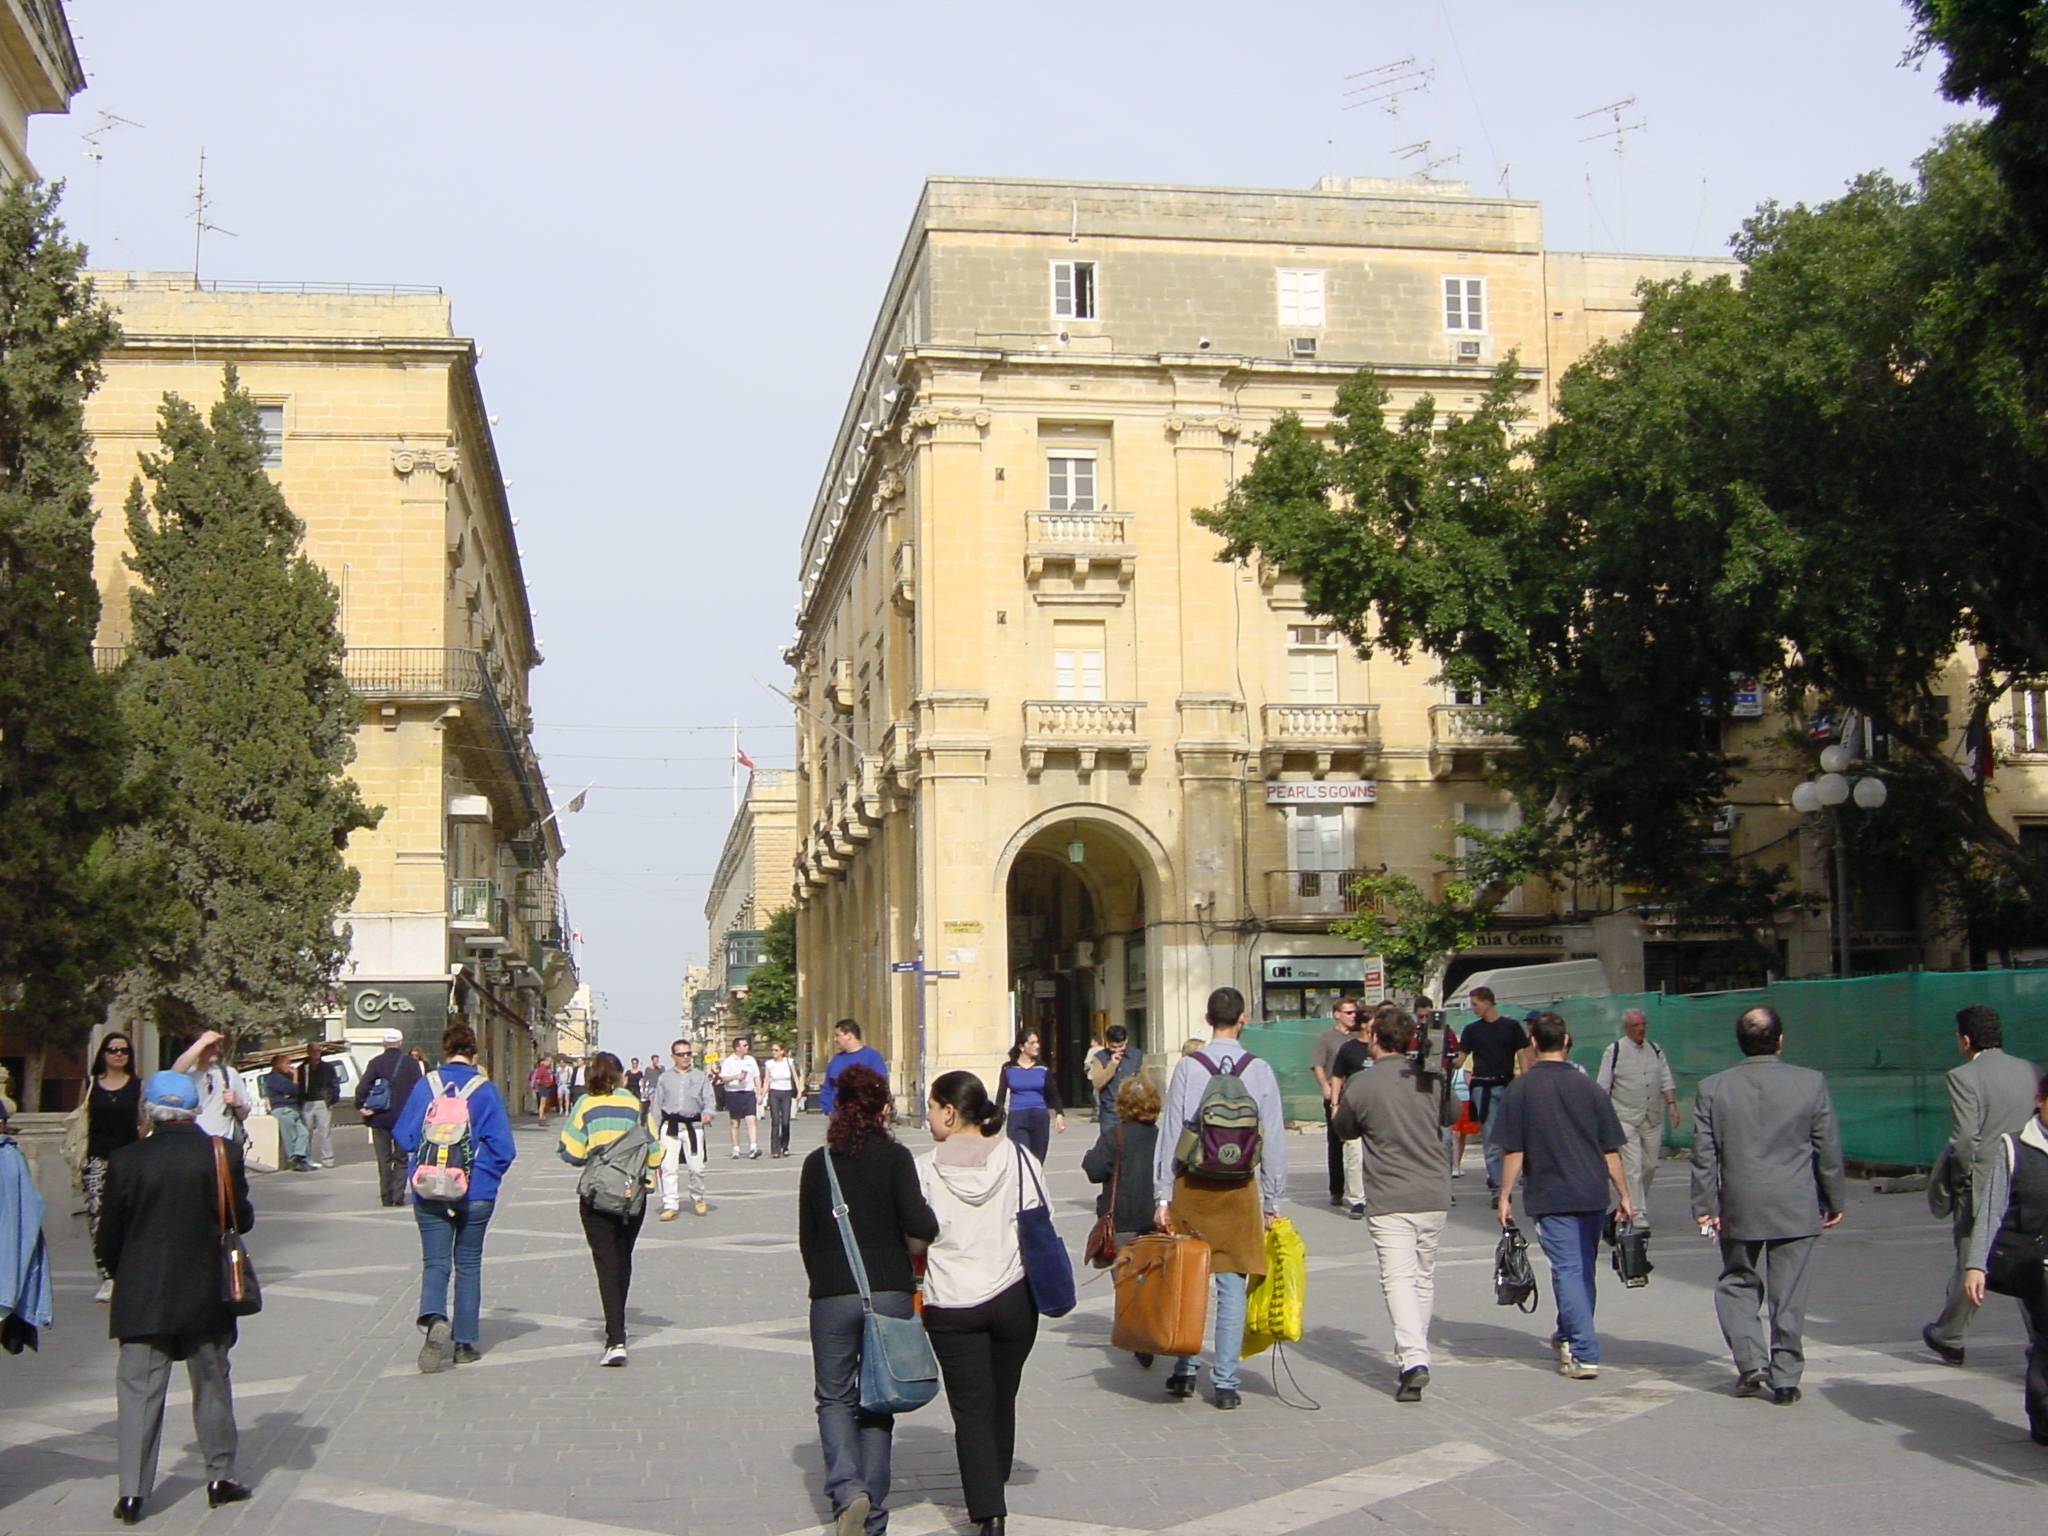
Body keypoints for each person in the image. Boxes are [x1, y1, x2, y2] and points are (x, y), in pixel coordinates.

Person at [96, 1071, 254, 1524]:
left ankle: (132, 1493)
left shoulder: (126, 1159)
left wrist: (120, 1273)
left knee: (138, 1392)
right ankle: (220, 1477)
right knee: (211, 1383)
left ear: (148, 1110)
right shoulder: (221, 1153)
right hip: (207, 1290)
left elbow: (108, 1236)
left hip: (142, 1294)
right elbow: (241, 1220)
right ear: (194, 1108)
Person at [800, 1064, 939, 1536]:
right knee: (879, 1399)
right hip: (889, 1291)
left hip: (832, 1293)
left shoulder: (817, 1163)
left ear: (838, 1105)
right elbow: (922, 1226)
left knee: (834, 1399)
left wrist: (825, 1282)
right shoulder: (896, 1159)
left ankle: (847, 1491)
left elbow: (808, 1238)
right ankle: (873, 1517)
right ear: (883, 1108)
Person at [1691, 1005, 1846, 1406]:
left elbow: (1704, 1156)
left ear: (1741, 1043)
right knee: (1789, 1292)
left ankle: (1750, 1360)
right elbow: (1826, 1147)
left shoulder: (1713, 1088)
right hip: (1796, 1202)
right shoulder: (1810, 1083)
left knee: (1736, 1280)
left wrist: (1705, 1204)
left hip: (1739, 1203)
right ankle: (1787, 1375)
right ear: (1780, 1040)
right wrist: (1833, 1198)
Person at [1152, 986, 1288, 1410]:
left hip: (1192, 1187)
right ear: (1242, 1018)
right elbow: (1275, 1138)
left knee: (1188, 1282)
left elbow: (1171, 1133)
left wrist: (1162, 1195)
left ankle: (1185, 1368)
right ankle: (1226, 1383)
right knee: (1231, 1286)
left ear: (1208, 1019)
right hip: (1239, 1190)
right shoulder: (1260, 1069)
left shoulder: (1189, 1067)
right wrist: (1272, 1200)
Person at [918, 1071, 1041, 1536]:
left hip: (952, 1301)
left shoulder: (925, 1168)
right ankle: (997, 1473)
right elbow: (1038, 1216)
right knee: (1002, 1393)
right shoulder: (1018, 1157)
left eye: (931, 1107)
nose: (928, 1117)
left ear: (950, 1111)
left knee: (970, 1409)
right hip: (1013, 1295)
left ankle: (989, 1513)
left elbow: (915, 1233)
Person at [1493, 1011, 1632, 1381]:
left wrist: (1505, 1195)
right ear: (1567, 1041)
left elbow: (1514, 1151)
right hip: (1591, 1191)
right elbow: (1611, 1150)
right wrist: (1625, 1195)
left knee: (1568, 1269)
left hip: (1550, 1193)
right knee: (1582, 1268)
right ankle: (1567, 1332)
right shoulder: (1589, 1088)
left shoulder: (1520, 1089)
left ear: (1533, 1043)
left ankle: (1583, 1351)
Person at [1333, 1006, 1453, 1401]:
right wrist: (1442, 1073)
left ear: (1375, 1039)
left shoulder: (1363, 1084)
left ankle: (1414, 1358)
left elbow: (1345, 1129)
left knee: (1397, 1278)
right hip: (1433, 1191)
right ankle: (1415, 1349)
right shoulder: (1430, 1078)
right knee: (1423, 1275)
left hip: (1389, 1193)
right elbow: (1451, 1115)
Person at [394, 1022, 517, 1373]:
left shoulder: (427, 1085)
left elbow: (404, 1135)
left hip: (429, 1187)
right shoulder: (486, 1090)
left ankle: (434, 1320)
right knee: (468, 1263)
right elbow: (504, 1148)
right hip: (475, 1191)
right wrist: (485, 1177)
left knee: (435, 1262)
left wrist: (424, 1163)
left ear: (444, 1051)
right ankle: (464, 1343)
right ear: (474, 1054)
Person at [1924, 1004, 2038, 1366]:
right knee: (2033, 1259)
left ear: (1966, 1040)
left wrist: (1958, 1181)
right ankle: (2040, 1339)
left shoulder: (1963, 1077)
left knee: (1971, 1259)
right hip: (2031, 1179)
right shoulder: (2032, 1071)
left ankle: (1950, 1335)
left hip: (1985, 1183)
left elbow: (1963, 1141)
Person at [558, 1051, 663, 1366]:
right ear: (621, 1077)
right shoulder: (636, 1106)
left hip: (597, 1194)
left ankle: (615, 1338)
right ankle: (618, 1326)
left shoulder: (585, 1105)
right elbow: (655, 1152)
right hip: (631, 1193)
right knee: (622, 1257)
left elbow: (571, 1151)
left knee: (605, 1263)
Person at [1960, 1071, 2048, 1442]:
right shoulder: (2014, 1147)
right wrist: (1976, 1264)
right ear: (2040, 1101)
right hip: (2034, 1261)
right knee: (2046, 1338)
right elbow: (1991, 1210)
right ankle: (2043, 1417)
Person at [1082, 1072, 1162, 1367]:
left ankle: (1137, 1336)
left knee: (1126, 1282)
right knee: (1152, 1280)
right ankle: (1150, 1330)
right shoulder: (1161, 1136)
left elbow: (1093, 1170)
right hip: (1154, 1221)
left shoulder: (1114, 1135)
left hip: (1121, 1222)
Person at [1596, 1009, 1680, 1232]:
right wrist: (1602, 1118)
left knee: (1650, 1164)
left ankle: (1630, 1201)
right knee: (1632, 1166)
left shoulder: (1655, 1050)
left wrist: (1672, 1105)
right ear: (1626, 1028)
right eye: (1635, 1025)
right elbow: (1603, 1086)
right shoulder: (1613, 1051)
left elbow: (1665, 1078)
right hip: (1624, 1116)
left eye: (1643, 1024)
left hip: (1651, 1116)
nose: (1641, 1029)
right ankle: (1637, 1211)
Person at [82, 1033, 143, 1302]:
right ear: (103, 1054)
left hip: (129, 1160)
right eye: (113, 1050)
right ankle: (107, 1277)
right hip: (97, 1160)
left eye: (124, 1051)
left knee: (129, 1218)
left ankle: (127, 1274)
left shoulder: (137, 1085)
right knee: (98, 1219)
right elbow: (81, 1120)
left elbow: (144, 1120)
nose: (119, 1054)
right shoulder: (91, 1084)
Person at [1459, 987, 1528, 1197]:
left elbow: (1523, 1055)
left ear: (1488, 1002)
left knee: (1511, 1138)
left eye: (1475, 1003)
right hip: (1482, 1086)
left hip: (1506, 1084)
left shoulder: (1511, 1027)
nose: (1473, 1008)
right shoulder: (1472, 1030)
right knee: (1490, 1139)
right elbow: (1460, 1060)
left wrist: (1523, 1081)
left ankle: (1504, 1180)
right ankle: (1499, 1190)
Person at [357, 1028, 425, 1207]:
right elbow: (420, 1090)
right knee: (401, 1158)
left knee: (384, 1158)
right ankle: (398, 1195)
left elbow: (362, 1088)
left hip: (379, 1117)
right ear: (400, 1043)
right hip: (404, 1118)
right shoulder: (411, 1063)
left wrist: (362, 1106)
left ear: (384, 1044)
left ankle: (386, 1196)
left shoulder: (376, 1063)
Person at [1310, 998, 1364, 1208]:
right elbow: (1318, 1064)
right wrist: (1325, 1086)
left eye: (1354, 1013)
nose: (1353, 1016)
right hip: (1337, 1095)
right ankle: (1337, 1189)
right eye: (1348, 1013)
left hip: (1358, 1095)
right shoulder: (1326, 1038)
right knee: (1336, 1143)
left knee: (1359, 1145)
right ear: (1337, 1014)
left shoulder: (1359, 1037)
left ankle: (1360, 1189)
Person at [654, 1039, 716, 1218]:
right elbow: (657, 1105)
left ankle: (697, 1197)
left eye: (688, 1053)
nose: (685, 1057)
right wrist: (653, 1131)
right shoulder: (664, 1078)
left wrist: (708, 1113)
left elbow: (709, 1100)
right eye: (681, 1054)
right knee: (668, 1167)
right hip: (670, 1125)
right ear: (673, 1056)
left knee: (697, 1167)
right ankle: (670, 1204)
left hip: (693, 1125)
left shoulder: (700, 1076)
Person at [1328, 1005, 1378, 1218]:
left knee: (1378, 1155)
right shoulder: (1349, 1048)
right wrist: (1335, 1104)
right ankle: (1357, 1199)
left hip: (1377, 1108)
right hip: (1354, 1107)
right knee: (1354, 1154)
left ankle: (1376, 1196)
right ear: (1365, 1024)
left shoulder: (1382, 1047)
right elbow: (1337, 1076)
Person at [994, 1029, 1064, 1162]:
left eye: (1037, 1042)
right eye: (1032, 1043)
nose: (1036, 1046)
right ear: (1021, 1046)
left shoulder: (1042, 1068)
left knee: (1037, 1161)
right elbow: (1000, 1097)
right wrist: (996, 1122)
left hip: (1039, 1117)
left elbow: (1053, 1093)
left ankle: (1035, 1182)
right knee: (1021, 1159)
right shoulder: (1008, 1069)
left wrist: (1059, 1114)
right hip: (1017, 1117)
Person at [170, 1030, 248, 1142]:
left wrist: (236, 1103)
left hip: (222, 1142)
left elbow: (244, 1115)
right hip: (190, 1142)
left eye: (216, 1045)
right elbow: (174, 1073)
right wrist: (202, 1041)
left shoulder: (229, 1073)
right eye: (210, 1046)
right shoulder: (185, 1074)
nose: (216, 1050)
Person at [821, 1019, 887, 1115]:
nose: (835, 1040)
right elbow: (827, 1087)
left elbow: (880, 1085)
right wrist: (829, 1109)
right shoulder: (836, 1060)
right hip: (840, 1118)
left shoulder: (872, 1057)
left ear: (849, 1036)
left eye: (837, 1035)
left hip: (865, 1118)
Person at [1085, 1023, 1143, 1129]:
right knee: (1109, 1143)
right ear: (1107, 1043)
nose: (1117, 1050)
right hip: (1110, 1111)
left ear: (1126, 1040)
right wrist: (1112, 1065)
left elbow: (1146, 1083)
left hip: (1133, 1110)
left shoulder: (1137, 1056)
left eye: (1121, 1046)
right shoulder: (1099, 1057)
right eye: (1113, 1047)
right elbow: (1097, 1083)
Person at [262, 1052, 311, 1172]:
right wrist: (294, 1080)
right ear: (278, 1065)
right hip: (283, 1110)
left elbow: (298, 1091)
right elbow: (292, 1088)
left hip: (294, 1109)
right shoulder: (274, 1077)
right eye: (287, 1063)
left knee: (303, 1133)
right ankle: (294, 1160)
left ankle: (299, 1156)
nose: (290, 1066)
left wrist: (292, 1090)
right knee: (291, 1136)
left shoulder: (286, 1077)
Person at [297, 1041, 341, 1168]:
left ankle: (328, 1158)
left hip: (322, 1102)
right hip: (306, 1103)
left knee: (324, 1131)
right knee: (306, 1132)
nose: (316, 1053)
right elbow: (298, 1085)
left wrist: (332, 1099)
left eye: (318, 1051)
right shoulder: (302, 1068)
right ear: (308, 1052)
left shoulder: (328, 1068)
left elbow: (334, 1084)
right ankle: (306, 1158)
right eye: (313, 1051)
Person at [720, 1036, 764, 1159]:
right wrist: (736, 1077)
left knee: (751, 1119)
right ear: (737, 1048)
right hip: (733, 1093)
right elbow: (723, 1078)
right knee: (735, 1122)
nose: (747, 1047)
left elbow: (756, 1076)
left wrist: (759, 1093)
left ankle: (753, 1147)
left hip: (748, 1092)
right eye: (744, 1045)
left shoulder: (750, 1060)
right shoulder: (728, 1061)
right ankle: (736, 1148)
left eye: (747, 1045)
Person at [765, 1040, 800, 1157]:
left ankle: (784, 1146)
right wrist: (761, 1094)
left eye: (776, 1050)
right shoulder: (769, 1064)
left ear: (782, 1051)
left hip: (786, 1092)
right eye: (772, 1050)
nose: (773, 1052)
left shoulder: (789, 1062)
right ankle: (775, 1149)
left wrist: (799, 1091)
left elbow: (795, 1077)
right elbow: (766, 1080)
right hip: (774, 1092)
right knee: (775, 1121)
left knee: (785, 1121)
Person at [528, 1054, 557, 1127]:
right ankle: (541, 1119)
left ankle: (543, 1117)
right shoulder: (542, 1069)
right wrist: (545, 1083)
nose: (550, 1063)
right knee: (542, 1103)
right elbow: (537, 1080)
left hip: (548, 1087)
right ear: (544, 1061)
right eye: (549, 1061)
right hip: (543, 1087)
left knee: (546, 1104)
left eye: (551, 1061)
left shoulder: (548, 1069)